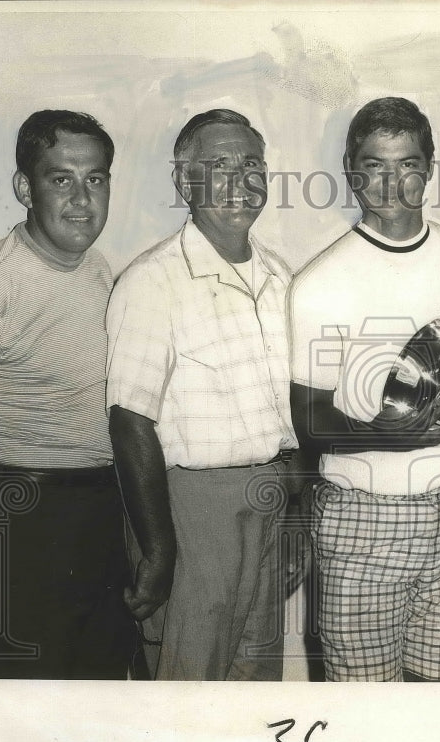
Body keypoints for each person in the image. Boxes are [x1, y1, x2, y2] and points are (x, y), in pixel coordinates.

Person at [288, 97, 440, 682]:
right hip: (361, 519)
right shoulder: (318, 283)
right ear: (352, 171)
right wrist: (396, 436)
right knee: (363, 714)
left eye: (407, 164)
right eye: (374, 165)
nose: (391, 182)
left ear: (429, 167)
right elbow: (307, 421)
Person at [0, 109, 134, 679]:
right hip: (16, 522)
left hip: (96, 516)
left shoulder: (94, 267)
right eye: (61, 178)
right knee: (19, 719)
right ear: (24, 187)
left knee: (100, 708)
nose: (82, 199)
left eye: (96, 178)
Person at [106, 109, 297, 681]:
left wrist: (296, 524)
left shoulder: (282, 277)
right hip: (192, 510)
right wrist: (159, 551)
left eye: (252, 163)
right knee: (188, 687)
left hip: (271, 501)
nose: (240, 179)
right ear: (183, 182)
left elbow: (293, 416)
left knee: (255, 684)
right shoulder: (152, 280)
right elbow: (130, 421)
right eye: (217, 166)